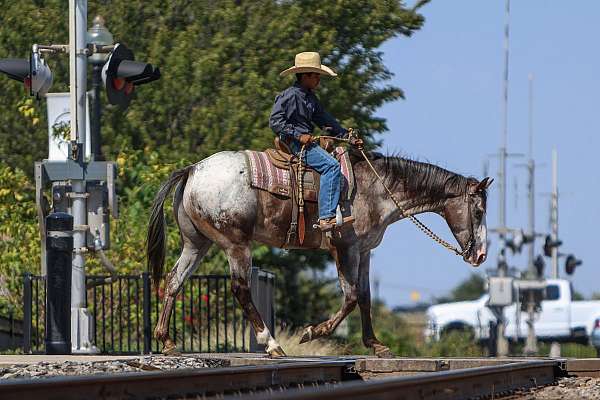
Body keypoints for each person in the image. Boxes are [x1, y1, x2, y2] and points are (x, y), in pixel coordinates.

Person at [269, 51, 360, 231]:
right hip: (294, 143)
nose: (318, 79)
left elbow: (326, 121)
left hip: (305, 141)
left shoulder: (310, 98)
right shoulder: (290, 95)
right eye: (316, 75)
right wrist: (298, 135)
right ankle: (326, 216)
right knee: (332, 166)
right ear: (305, 76)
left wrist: (348, 138)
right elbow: (275, 121)